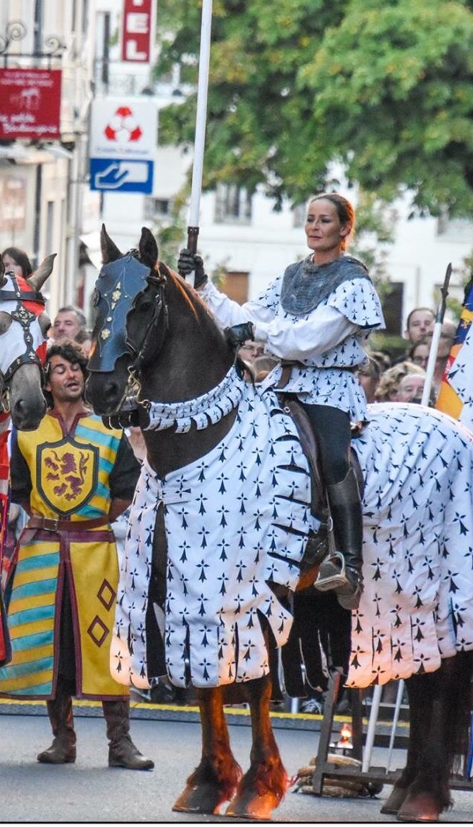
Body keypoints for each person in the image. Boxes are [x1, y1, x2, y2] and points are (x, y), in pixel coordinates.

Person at [178, 192, 384, 607]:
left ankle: (348, 560)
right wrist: (203, 286)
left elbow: (308, 340)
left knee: (333, 459)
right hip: (280, 383)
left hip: (327, 388)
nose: (314, 226)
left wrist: (255, 334)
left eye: (325, 220)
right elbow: (246, 316)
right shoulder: (292, 275)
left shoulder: (355, 282)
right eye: (309, 218)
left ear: (344, 228)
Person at [0, 339, 153, 771]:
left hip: (93, 554)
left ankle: (120, 742)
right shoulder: (28, 433)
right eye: (60, 369)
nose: (70, 374)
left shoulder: (107, 430)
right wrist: (52, 523)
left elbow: (126, 489)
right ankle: (62, 740)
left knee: (106, 646)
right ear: (46, 383)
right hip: (43, 552)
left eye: (75, 368)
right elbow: (20, 491)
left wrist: (88, 521)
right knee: (53, 646)